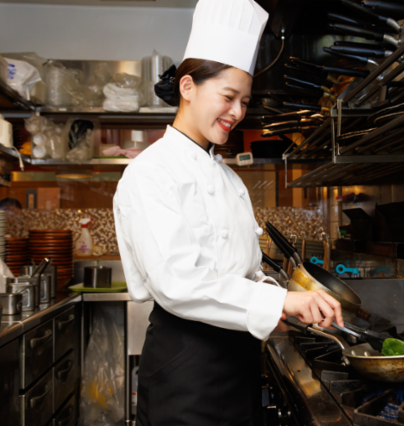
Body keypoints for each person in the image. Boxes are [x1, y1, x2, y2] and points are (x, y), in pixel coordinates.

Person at [113, 1, 343, 425]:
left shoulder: (228, 179)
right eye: (228, 97)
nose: (237, 113)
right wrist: (281, 300)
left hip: (239, 364)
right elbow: (178, 284)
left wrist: (280, 306)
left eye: (245, 101)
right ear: (187, 87)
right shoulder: (149, 173)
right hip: (186, 371)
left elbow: (244, 272)